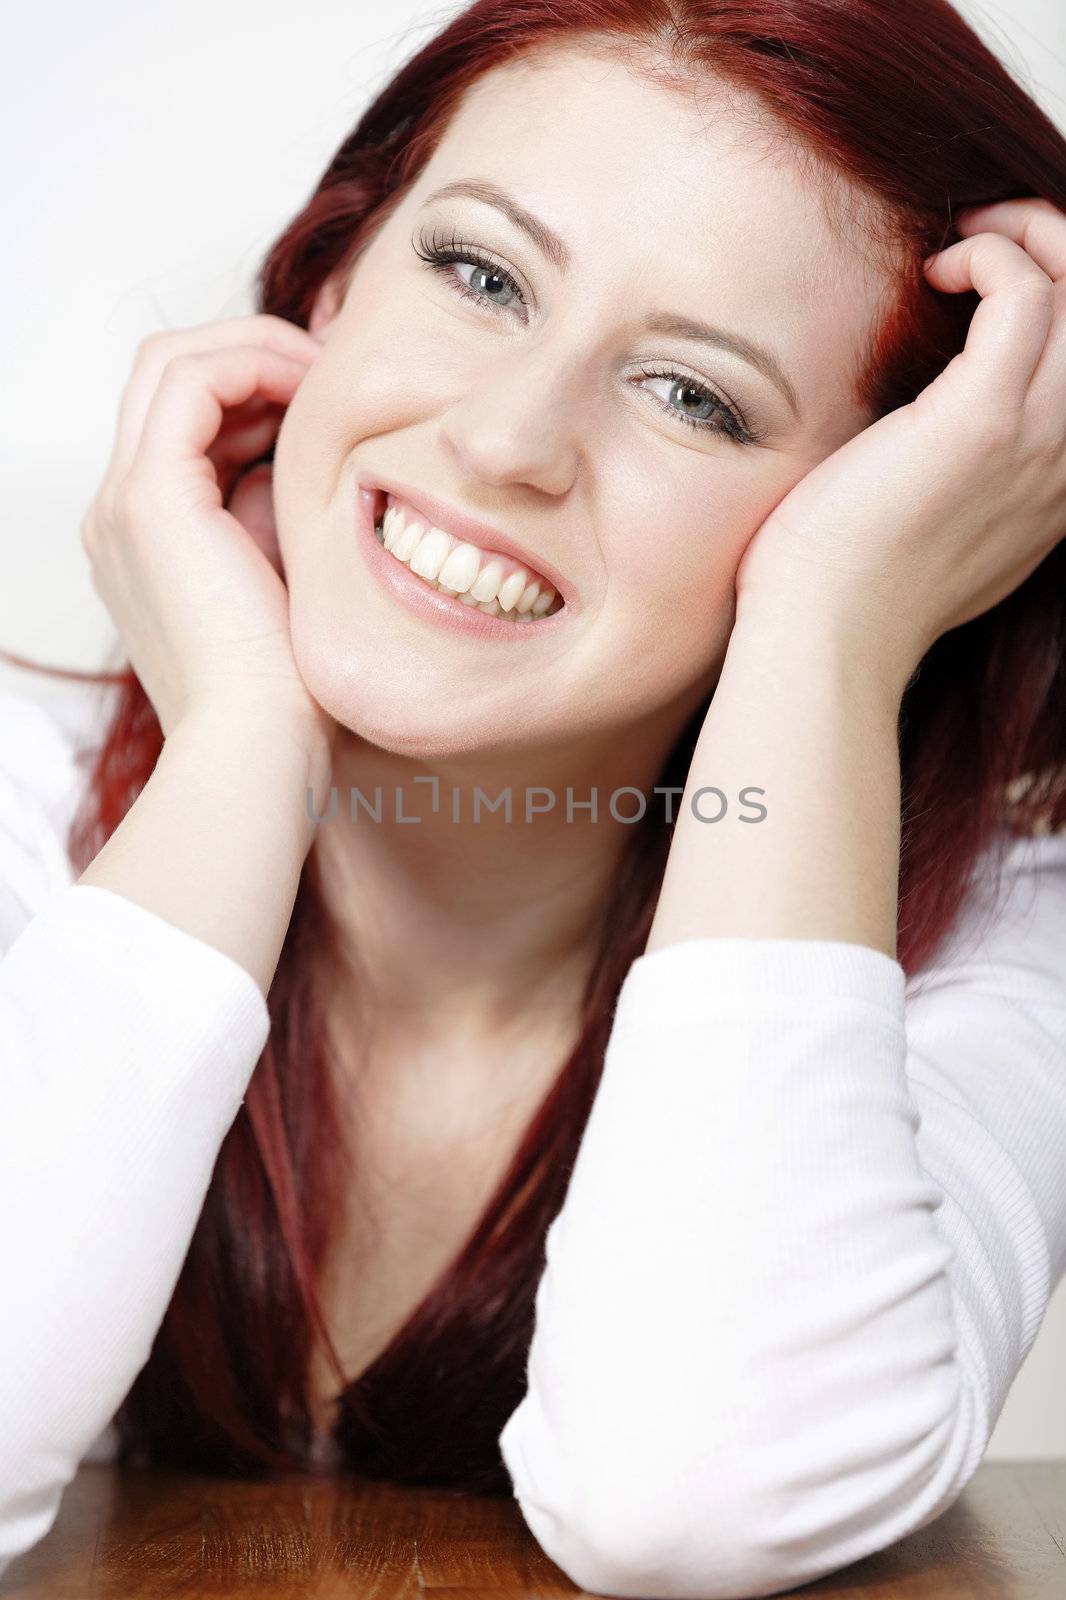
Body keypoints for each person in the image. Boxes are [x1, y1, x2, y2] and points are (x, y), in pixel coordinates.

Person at [2, 0, 1066, 1594]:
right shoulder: (32, 798)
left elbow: (694, 1496)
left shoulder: (992, 955)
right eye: (480, 275)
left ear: (904, 504)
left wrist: (831, 633)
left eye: (695, 397)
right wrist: (237, 753)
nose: (505, 441)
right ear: (333, 279)